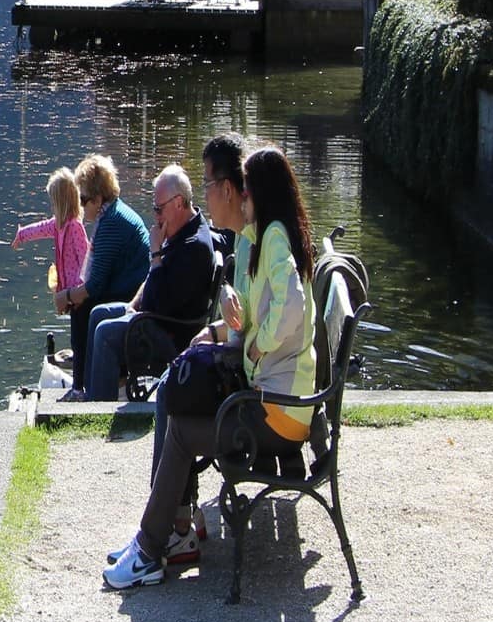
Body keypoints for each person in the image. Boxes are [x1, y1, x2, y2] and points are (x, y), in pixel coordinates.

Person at [105, 138, 317, 590]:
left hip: (279, 410)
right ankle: (165, 534)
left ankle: (153, 543)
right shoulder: (266, 239)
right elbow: (262, 315)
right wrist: (226, 332)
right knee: (174, 390)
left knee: (179, 420)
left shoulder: (273, 238)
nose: (242, 196)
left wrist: (255, 346)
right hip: (278, 400)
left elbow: (292, 308)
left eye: (248, 189)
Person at [83, 163, 220, 404]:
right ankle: (90, 395)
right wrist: (133, 304)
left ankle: (99, 409)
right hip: (154, 314)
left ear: (178, 203)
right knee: (97, 313)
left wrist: (155, 253)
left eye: (159, 209)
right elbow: (152, 281)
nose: (156, 216)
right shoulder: (178, 230)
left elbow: (163, 302)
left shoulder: (193, 245)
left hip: (172, 332)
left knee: (106, 333)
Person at [65, 154, 150, 398]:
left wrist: (69, 296)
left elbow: (96, 284)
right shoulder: (113, 214)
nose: (81, 207)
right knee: (79, 302)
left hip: (131, 294)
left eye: (84, 200)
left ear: (99, 198)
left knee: (80, 308)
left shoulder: (112, 222)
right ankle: (84, 384)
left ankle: (80, 387)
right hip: (129, 287)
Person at [13, 168, 89, 369]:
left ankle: (81, 377)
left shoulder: (74, 227)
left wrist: (83, 288)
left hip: (78, 294)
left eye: (53, 201)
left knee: (80, 336)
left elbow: (86, 258)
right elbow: (40, 228)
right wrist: (22, 234)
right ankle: (79, 369)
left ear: (62, 201)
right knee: (76, 333)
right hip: (68, 294)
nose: (51, 206)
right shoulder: (58, 224)